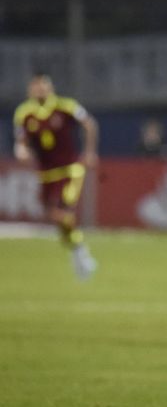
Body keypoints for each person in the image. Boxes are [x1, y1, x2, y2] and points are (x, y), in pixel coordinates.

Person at [13, 72, 99, 279]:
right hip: (46, 174)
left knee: (64, 212)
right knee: (55, 216)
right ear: (30, 89)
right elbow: (21, 140)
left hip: (69, 170)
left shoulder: (65, 106)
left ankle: (80, 254)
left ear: (50, 87)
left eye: (43, 85)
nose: (39, 89)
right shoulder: (24, 113)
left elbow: (89, 124)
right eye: (35, 86)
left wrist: (89, 152)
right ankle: (77, 249)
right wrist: (20, 150)